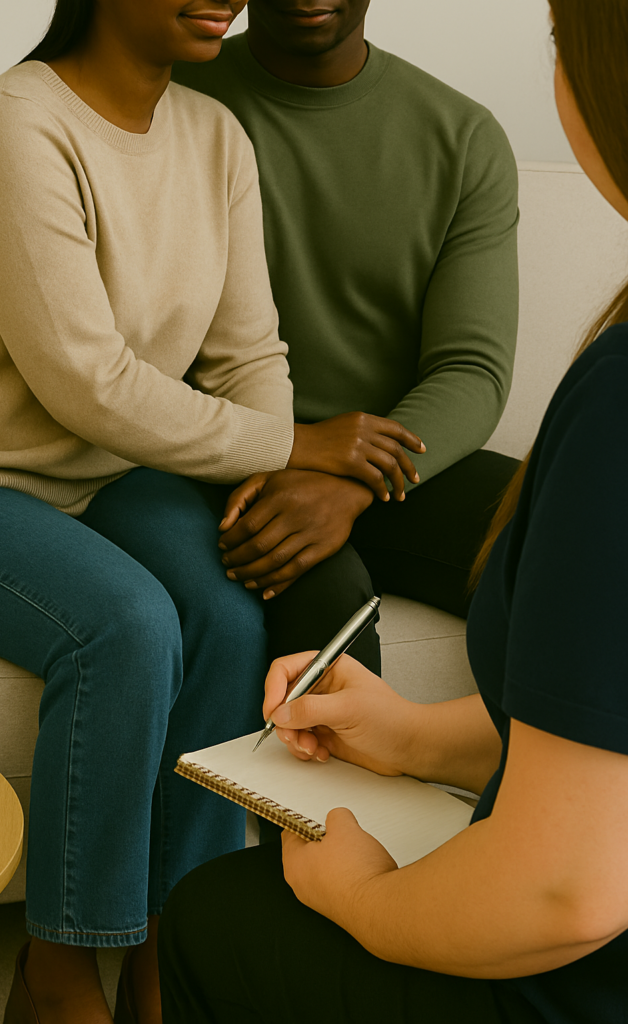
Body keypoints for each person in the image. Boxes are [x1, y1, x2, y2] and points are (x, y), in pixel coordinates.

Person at [0, 1, 421, 1022]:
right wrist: (297, 445)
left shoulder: (212, 135)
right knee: (125, 624)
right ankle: (61, 974)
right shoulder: (9, 122)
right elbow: (88, 379)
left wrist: (267, 473)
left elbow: (249, 351)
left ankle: (172, 957)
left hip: (113, 474)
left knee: (224, 609)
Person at [158, 2, 628, 1021]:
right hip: (234, 456)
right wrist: (415, 736)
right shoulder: (173, 109)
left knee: (214, 916)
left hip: (383, 459)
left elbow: (570, 889)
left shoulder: (610, 406)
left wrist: (369, 900)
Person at [171, 0, 521, 673]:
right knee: (321, 604)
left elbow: (470, 367)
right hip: (218, 462)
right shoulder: (172, 100)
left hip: (386, 455)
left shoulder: (460, 135)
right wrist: (279, 453)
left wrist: (352, 485)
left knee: (576, 540)